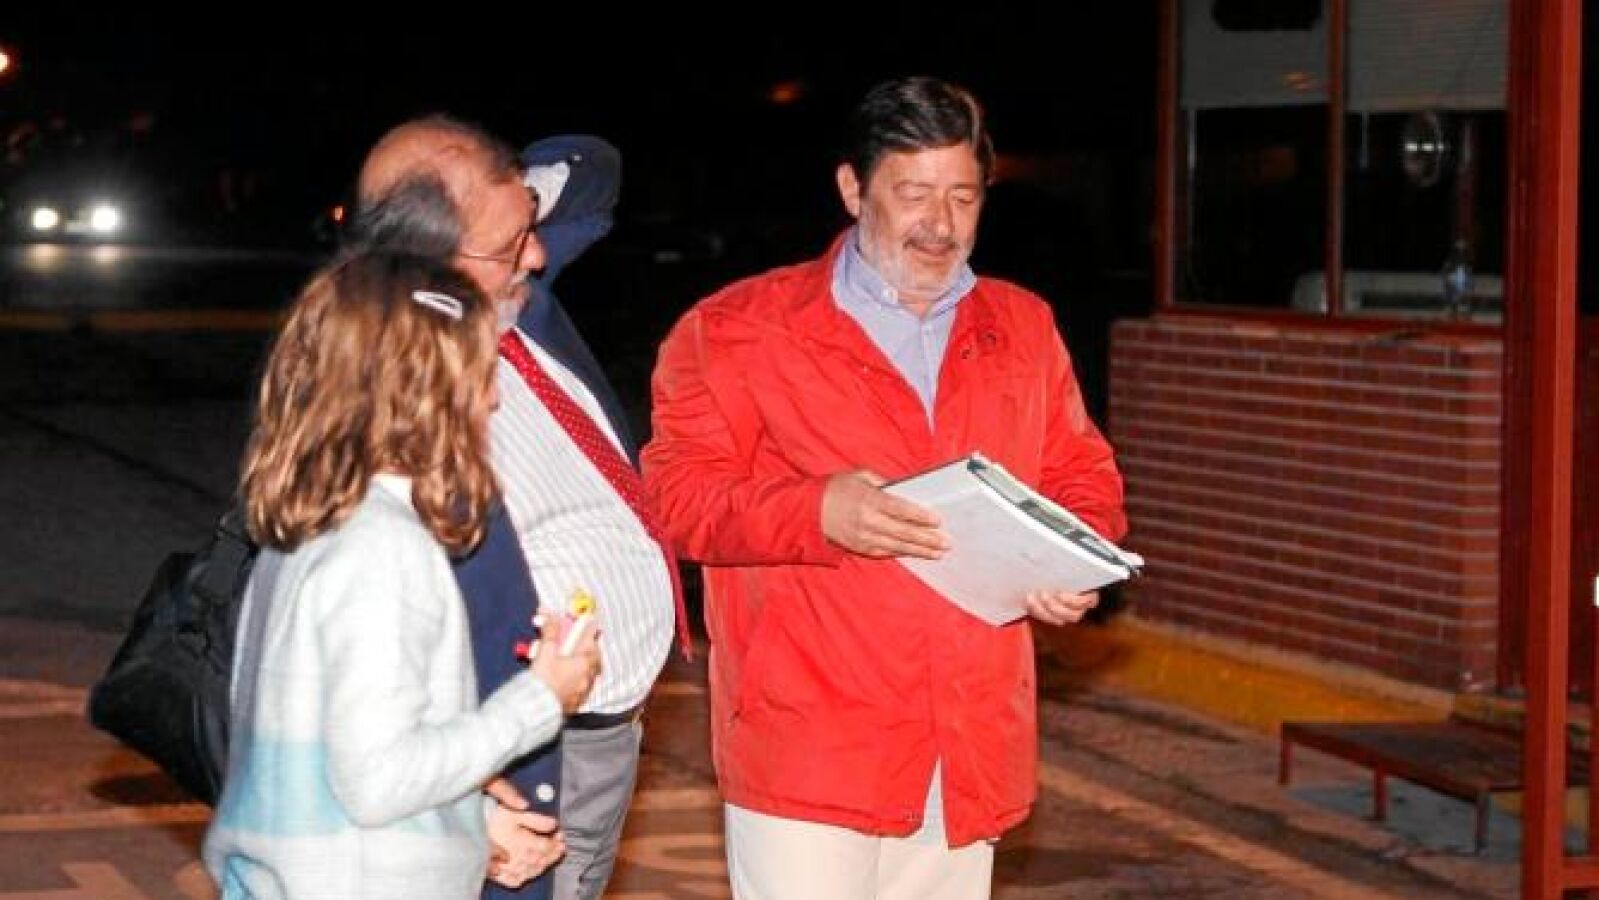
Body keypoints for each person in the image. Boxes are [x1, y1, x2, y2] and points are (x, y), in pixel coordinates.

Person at [640, 76, 1129, 899]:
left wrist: (1067, 560)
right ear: (851, 188)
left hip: (965, 740)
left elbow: (1081, 475)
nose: (940, 224)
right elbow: (673, 499)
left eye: (963, 198)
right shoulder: (737, 329)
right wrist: (815, 511)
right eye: (913, 194)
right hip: (807, 743)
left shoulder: (1020, 325)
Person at [350, 117, 692, 900]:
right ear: (426, 258)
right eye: (511, 245)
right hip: (510, 751)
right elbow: (368, 646)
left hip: (598, 732)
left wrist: (500, 199)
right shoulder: (385, 391)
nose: (536, 256)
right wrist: (456, 801)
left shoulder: (515, 301)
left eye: (528, 231)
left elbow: (594, 169)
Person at [202, 251, 601, 899]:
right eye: (481, 373)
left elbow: (334, 759)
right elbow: (379, 782)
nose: (494, 398)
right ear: (426, 393)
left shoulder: (314, 525)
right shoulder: (383, 551)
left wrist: (473, 821)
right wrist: (543, 696)